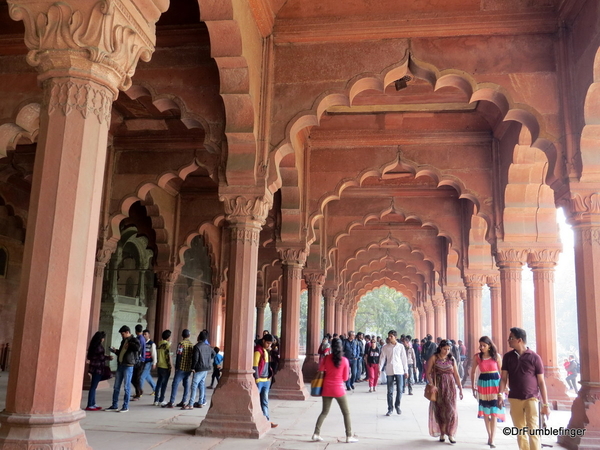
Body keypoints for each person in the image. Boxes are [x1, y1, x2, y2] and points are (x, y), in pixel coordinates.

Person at [498, 327, 550, 450]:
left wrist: (546, 405)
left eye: (511, 338)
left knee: (533, 430)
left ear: (519, 340)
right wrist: (500, 395)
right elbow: (504, 378)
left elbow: (541, 382)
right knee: (520, 430)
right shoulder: (507, 357)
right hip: (515, 398)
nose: (508, 340)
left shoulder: (534, 357)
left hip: (531, 398)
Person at [311, 337, 358, 443]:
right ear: (341, 347)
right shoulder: (345, 361)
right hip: (339, 390)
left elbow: (321, 370)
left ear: (331, 347)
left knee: (324, 412)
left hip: (326, 388)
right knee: (346, 413)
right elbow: (345, 378)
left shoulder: (326, 358)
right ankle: (349, 436)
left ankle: (316, 433)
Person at [470, 336, 505, 448]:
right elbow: (473, 372)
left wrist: (504, 388)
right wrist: (473, 385)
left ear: (489, 345)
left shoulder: (496, 357)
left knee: (494, 412)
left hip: (495, 384)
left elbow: (502, 373)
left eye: (484, 345)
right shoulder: (477, 357)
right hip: (483, 384)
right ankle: (489, 435)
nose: (481, 347)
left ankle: (493, 438)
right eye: (480, 345)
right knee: (486, 412)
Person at [427, 339, 463, 444]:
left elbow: (456, 374)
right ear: (440, 348)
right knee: (440, 411)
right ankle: (442, 433)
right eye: (444, 349)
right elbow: (428, 373)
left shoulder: (451, 359)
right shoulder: (434, 358)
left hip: (450, 387)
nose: (446, 351)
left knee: (451, 411)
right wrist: (432, 385)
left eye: (448, 349)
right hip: (439, 387)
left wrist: (460, 388)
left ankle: (451, 433)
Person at [106, 325, 140, 412]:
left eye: (123, 334)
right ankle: (114, 405)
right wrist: (115, 351)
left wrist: (130, 344)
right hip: (121, 364)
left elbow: (138, 348)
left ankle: (125, 406)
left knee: (126, 387)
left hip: (128, 366)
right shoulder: (123, 341)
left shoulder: (134, 340)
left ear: (127, 332)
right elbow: (122, 352)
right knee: (116, 386)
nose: (122, 335)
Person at [379, 330, 408, 416]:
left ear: (395, 337)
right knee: (390, 391)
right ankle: (390, 408)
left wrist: (406, 370)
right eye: (389, 336)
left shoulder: (401, 347)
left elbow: (404, 359)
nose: (389, 337)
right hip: (390, 370)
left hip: (399, 370)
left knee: (400, 389)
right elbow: (382, 358)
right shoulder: (385, 347)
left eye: (391, 336)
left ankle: (397, 405)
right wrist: (379, 369)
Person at [162, 329, 193, 408]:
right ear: (189, 336)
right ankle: (184, 401)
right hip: (188, 367)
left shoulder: (181, 344)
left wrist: (177, 366)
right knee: (186, 384)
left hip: (181, 367)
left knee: (175, 383)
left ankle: (171, 402)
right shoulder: (191, 344)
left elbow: (179, 355)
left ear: (182, 335)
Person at [185, 330, 215, 409]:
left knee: (194, 385)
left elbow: (195, 358)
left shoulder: (197, 346)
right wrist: (208, 359)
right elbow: (214, 354)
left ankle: (191, 404)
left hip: (199, 368)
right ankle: (201, 402)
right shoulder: (208, 347)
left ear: (199, 337)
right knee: (201, 384)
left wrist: (193, 368)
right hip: (206, 368)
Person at [254, 333, 278, 428]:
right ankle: (258, 419)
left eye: (270, 344)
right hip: (260, 380)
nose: (269, 345)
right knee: (256, 401)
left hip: (266, 380)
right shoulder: (258, 351)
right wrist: (256, 379)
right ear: (263, 341)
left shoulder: (265, 351)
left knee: (265, 401)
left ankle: (266, 420)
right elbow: (255, 366)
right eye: (268, 343)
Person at [86, 331, 112, 411]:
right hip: (98, 368)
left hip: (94, 368)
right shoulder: (98, 347)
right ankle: (90, 404)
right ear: (101, 339)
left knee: (94, 386)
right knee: (93, 387)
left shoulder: (93, 346)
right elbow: (100, 357)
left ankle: (93, 403)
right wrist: (108, 357)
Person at [154, 329, 172, 406]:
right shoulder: (167, 345)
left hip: (160, 365)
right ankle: (161, 399)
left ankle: (156, 400)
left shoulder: (159, 344)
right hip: (165, 366)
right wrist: (170, 366)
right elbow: (168, 356)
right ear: (168, 337)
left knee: (159, 383)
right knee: (164, 384)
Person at [131, 324, 146, 400]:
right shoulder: (142, 338)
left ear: (136, 331)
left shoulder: (139, 339)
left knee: (135, 378)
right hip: (141, 360)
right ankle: (139, 390)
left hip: (139, 361)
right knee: (136, 377)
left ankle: (138, 393)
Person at [140, 329, 157, 396]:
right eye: (143, 334)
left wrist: (154, 363)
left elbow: (154, 354)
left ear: (149, 335)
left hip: (148, 362)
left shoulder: (152, 344)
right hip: (143, 362)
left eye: (145, 334)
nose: (144, 336)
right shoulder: (143, 343)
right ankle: (156, 389)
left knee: (141, 377)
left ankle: (139, 392)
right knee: (147, 376)